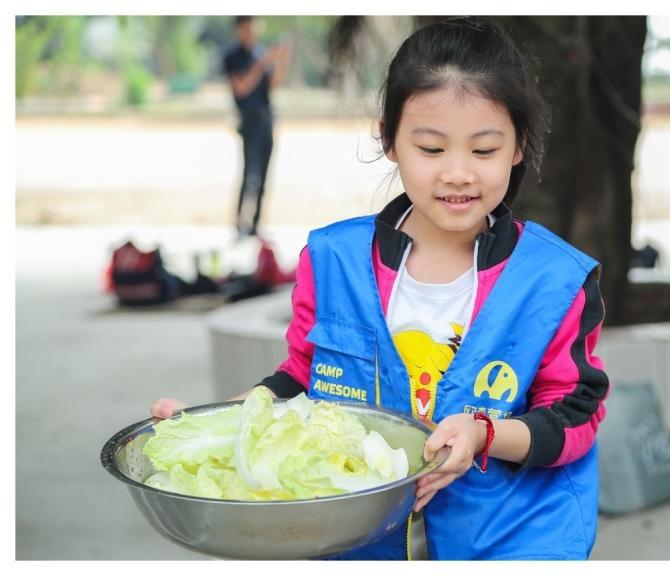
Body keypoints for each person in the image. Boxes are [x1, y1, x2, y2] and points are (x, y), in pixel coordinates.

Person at [152, 16, 609, 560]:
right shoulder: (332, 262)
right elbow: (301, 378)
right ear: (390, 140)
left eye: (484, 150)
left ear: (518, 147)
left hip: (511, 540)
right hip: (362, 542)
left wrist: (484, 435)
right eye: (432, 149)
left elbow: (574, 416)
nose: (458, 173)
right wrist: (216, 429)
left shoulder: (555, 280)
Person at [223, 16, 292, 238]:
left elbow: (274, 84)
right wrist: (263, 63)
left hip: (266, 118)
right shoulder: (233, 57)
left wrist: (282, 59)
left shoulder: (261, 53)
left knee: (263, 175)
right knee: (249, 174)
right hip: (248, 120)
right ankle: (239, 223)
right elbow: (241, 88)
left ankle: (256, 224)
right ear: (239, 29)